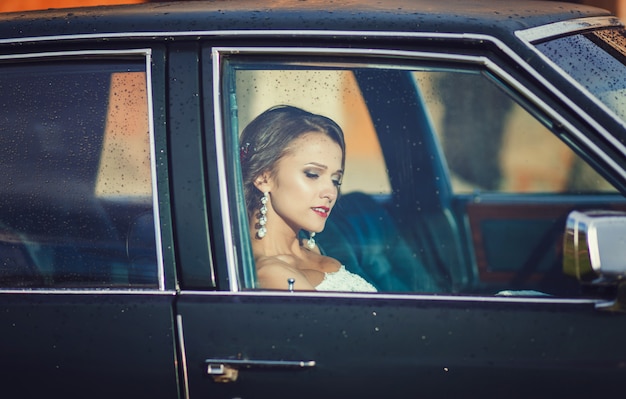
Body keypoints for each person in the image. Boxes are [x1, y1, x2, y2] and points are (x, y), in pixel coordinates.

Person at [239, 105, 377, 292]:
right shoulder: (272, 275)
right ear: (263, 178)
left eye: (336, 180)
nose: (330, 192)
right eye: (312, 174)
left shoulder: (311, 249)